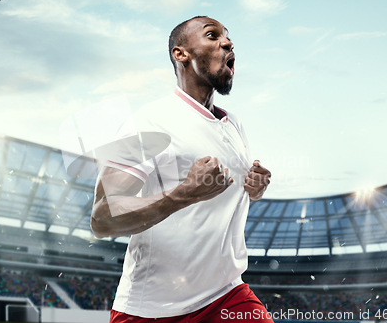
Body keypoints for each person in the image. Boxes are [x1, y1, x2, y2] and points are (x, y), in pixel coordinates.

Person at [91, 16, 273, 322]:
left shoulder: (234, 125)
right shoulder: (146, 122)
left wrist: (255, 189)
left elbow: (227, 198)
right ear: (181, 54)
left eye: (228, 38)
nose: (227, 43)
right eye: (213, 36)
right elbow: (102, 217)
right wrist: (182, 194)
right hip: (152, 309)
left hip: (226, 295)